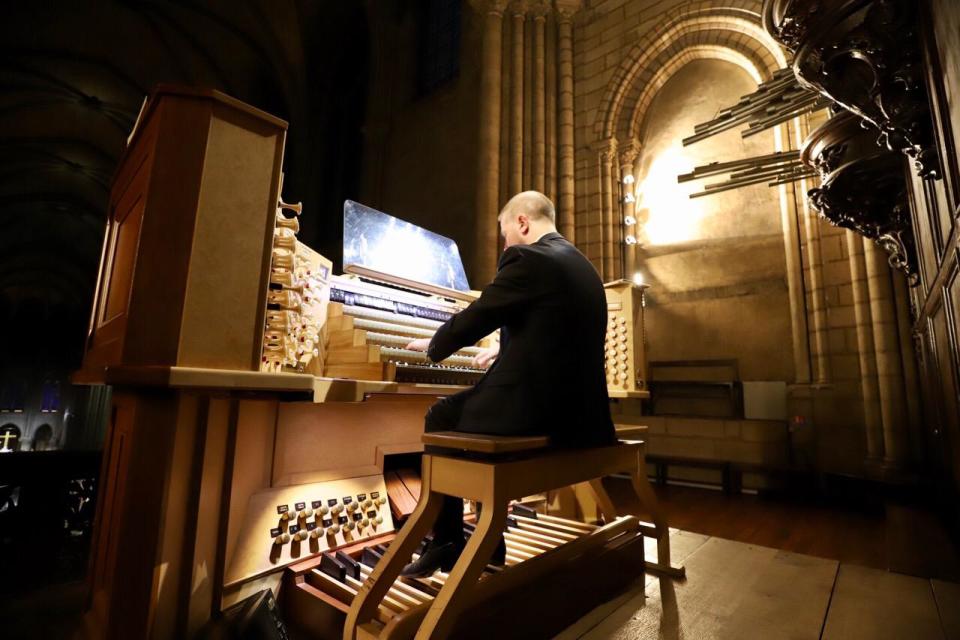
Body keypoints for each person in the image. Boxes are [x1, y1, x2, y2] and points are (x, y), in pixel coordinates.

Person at [400, 190, 615, 577]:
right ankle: (490, 541)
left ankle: (448, 540)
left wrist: (436, 343)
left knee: (441, 415)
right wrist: (507, 345)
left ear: (522, 222)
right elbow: (555, 329)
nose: (504, 244)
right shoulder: (582, 266)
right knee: (479, 414)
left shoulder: (527, 257)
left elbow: (481, 313)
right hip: (585, 414)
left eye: (504, 233)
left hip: (539, 411)